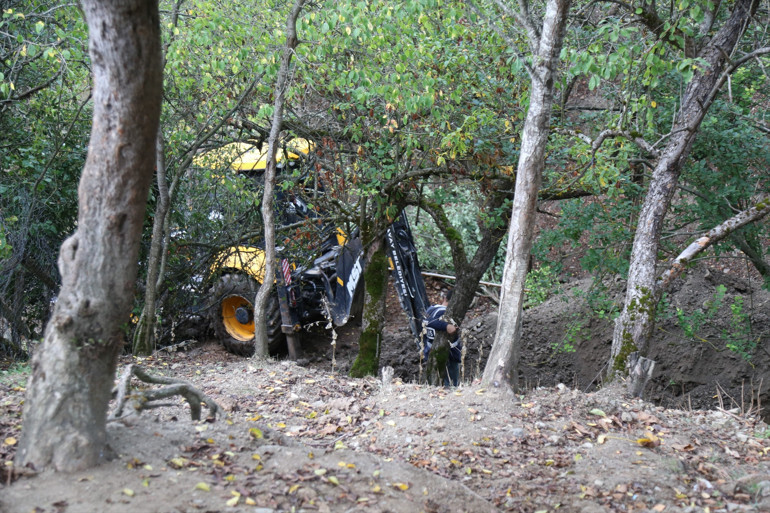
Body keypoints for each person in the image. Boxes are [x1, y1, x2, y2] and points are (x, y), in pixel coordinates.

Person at [421, 289, 462, 386]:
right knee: (451, 384)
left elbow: (425, 321)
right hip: (448, 354)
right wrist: (446, 326)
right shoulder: (443, 312)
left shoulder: (432, 308)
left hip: (430, 350)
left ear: (444, 298)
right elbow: (429, 322)